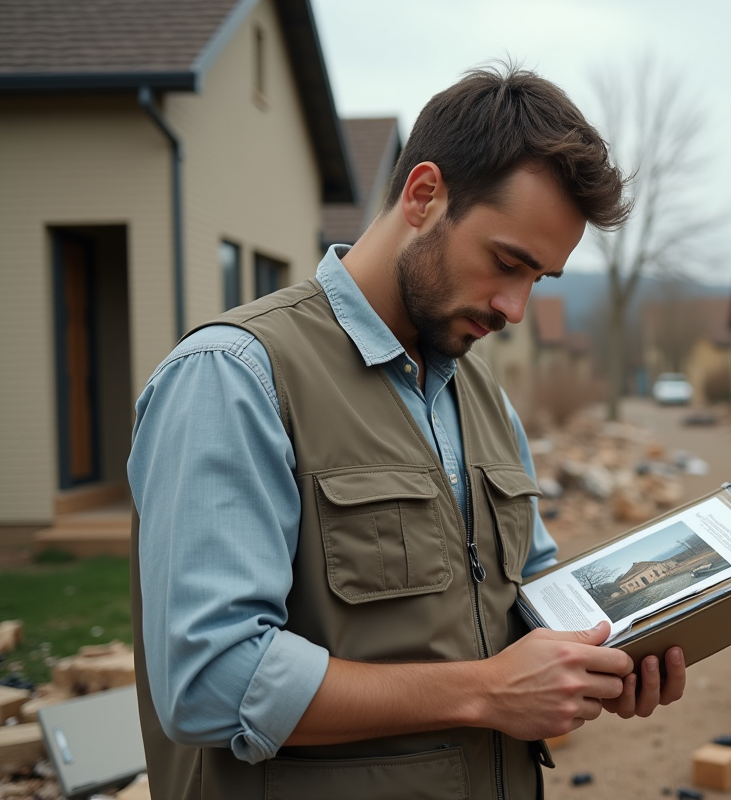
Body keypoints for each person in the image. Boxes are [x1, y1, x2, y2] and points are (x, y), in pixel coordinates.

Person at [127, 64, 686, 800]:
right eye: (506, 262)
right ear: (424, 195)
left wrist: (605, 655)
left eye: (539, 279)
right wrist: (486, 691)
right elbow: (210, 678)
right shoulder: (234, 377)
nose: (515, 308)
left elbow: (534, 604)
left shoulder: (482, 392)